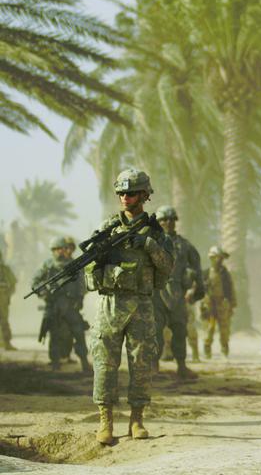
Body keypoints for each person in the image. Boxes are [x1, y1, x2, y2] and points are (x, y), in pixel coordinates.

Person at [86, 168, 174, 445]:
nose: (125, 197)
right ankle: (106, 421)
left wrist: (147, 244)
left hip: (142, 305)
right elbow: (89, 269)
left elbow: (168, 267)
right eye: (121, 193)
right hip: (111, 304)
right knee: (104, 363)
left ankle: (136, 419)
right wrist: (105, 267)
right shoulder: (106, 229)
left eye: (131, 192)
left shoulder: (156, 233)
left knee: (142, 363)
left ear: (145, 195)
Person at [152, 206, 204, 380]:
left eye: (172, 219)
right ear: (158, 222)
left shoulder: (184, 245)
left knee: (180, 330)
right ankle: (154, 367)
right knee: (155, 332)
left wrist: (198, 290)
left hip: (176, 293)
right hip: (155, 293)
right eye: (164, 220)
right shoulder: (150, 242)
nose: (168, 223)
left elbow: (196, 268)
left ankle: (181, 366)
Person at [33, 237, 90, 372]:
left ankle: (84, 361)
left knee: (78, 332)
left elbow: (82, 283)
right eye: (57, 249)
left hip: (71, 306)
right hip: (54, 305)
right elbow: (35, 281)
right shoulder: (47, 265)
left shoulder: (74, 264)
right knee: (55, 334)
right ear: (53, 251)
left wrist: (80, 297)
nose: (61, 252)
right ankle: (55, 362)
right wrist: (44, 292)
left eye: (63, 249)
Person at [203, 246, 235, 359]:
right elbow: (200, 290)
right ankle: (207, 350)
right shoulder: (206, 274)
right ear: (212, 258)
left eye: (221, 258)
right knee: (210, 329)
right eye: (217, 258)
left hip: (222, 304)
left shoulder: (225, 274)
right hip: (210, 305)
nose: (219, 260)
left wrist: (232, 304)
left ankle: (224, 350)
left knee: (224, 329)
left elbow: (231, 289)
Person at [0, 248, 17, 350]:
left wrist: (8, 295)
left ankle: (6, 343)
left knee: (4, 320)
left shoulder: (5, 270)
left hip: (3, 298)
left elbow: (12, 284)